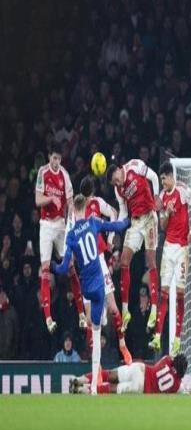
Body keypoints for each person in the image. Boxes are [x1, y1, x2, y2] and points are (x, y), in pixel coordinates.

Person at [51, 194, 129, 395]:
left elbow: (63, 268)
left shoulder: (71, 235)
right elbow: (116, 226)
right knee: (99, 324)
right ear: (85, 208)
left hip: (85, 287)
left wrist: (52, 266)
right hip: (98, 285)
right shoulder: (93, 222)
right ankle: (94, 385)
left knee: (93, 327)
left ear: (73, 211)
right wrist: (129, 221)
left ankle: (94, 385)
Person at [80, 175, 132, 364]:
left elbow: (113, 213)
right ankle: (95, 362)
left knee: (113, 307)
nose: (89, 199)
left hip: (100, 260)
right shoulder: (77, 209)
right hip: (86, 265)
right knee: (89, 319)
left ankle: (122, 345)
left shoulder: (97, 203)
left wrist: (109, 240)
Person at [35, 143, 85, 333]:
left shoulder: (64, 175)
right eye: (54, 158)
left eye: (59, 158)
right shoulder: (43, 172)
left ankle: (81, 314)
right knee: (45, 269)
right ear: (49, 157)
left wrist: (72, 220)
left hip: (61, 226)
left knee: (70, 267)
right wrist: (51, 199)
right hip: (46, 225)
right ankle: (48, 318)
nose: (56, 162)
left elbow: (71, 203)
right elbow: (38, 200)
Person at [107, 159, 161, 333]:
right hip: (136, 222)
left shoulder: (134, 166)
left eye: (116, 179)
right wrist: (114, 232)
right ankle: (125, 310)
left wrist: (157, 196)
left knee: (151, 261)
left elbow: (154, 177)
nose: (117, 183)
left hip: (150, 218)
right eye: (114, 183)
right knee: (124, 261)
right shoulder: (118, 190)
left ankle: (154, 309)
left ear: (118, 170)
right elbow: (123, 212)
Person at [149, 161, 191, 354]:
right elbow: (162, 226)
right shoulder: (162, 197)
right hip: (168, 248)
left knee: (181, 294)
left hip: (182, 249)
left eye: (164, 179)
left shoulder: (182, 190)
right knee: (164, 293)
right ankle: (157, 336)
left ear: (170, 176)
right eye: (160, 180)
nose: (162, 182)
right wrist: (166, 212)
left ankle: (177, 339)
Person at [70, 353, 191, 395]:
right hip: (141, 387)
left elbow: (168, 358)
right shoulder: (177, 386)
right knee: (113, 388)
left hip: (141, 370)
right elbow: (189, 391)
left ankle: (79, 379)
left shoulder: (166, 360)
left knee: (110, 375)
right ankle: (82, 390)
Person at [0, 286, 19, 359]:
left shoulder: (12, 311)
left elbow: (16, 332)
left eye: (3, 295)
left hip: (9, 354)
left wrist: (13, 351)